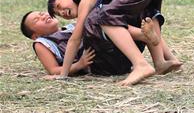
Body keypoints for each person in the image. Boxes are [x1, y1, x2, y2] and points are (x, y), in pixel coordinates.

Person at [46, 0, 181, 86]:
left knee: (104, 17)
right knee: (147, 15)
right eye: (58, 14)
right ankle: (163, 61)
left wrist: (63, 75)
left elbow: (74, 39)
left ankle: (141, 65)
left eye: (59, 6)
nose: (61, 12)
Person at [21, 11, 165, 78]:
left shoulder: (71, 27)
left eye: (41, 13)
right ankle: (142, 35)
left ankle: (164, 60)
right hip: (100, 64)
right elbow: (53, 70)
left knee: (146, 12)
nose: (43, 16)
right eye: (37, 20)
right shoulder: (42, 43)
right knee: (97, 18)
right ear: (35, 35)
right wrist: (79, 65)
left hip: (116, 57)